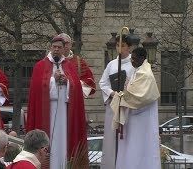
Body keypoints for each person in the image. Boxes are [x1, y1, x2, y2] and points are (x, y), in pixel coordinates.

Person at [26, 37, 88, 169]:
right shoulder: (40, 66)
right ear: (50, 48)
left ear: (64, 49)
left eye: (59, 47)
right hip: (47, 111)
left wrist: (67, 82)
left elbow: (76, 87)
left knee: (64, 141)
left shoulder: (69, 65)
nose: (56, 50)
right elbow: (37, 88)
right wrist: (53, 80)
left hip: (65, 112)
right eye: (54, 47)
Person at [110, 47, 161, 169]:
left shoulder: (145, 74)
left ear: (142, 59)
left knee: (139, 149)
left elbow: (140, 97)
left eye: (134, 58)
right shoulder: (137, 71)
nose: (131, 61)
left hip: (142, 120)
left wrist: (122, 95)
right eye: (131, 58)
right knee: (131, 149)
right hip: (134, 118)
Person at [99, 34, 133, 169]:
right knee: (112, 140)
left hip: (127, 107)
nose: (120, 48)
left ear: (129, 47)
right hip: (113, 106)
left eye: (123, 45)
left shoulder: (133, 64)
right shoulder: (111, 65)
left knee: (127, 138)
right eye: (118, 45)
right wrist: (112, 93)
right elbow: (103, 83)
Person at [57, 33, 96, 97]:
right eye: (62, 43)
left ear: (71, 45)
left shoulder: (78, 61)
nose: (64, 45)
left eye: (66, 43)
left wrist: (69, 82)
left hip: (73, 98)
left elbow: (88, 82)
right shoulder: (49, 61)